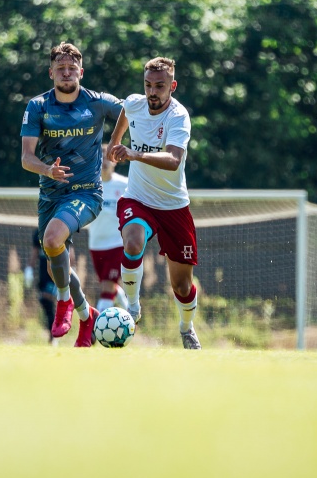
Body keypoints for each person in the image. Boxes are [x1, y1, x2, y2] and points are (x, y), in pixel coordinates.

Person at [20, 42, 122, 347]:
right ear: (51, 72)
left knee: (51, 240)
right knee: (55, 261)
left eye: (71, 67)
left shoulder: (98, 102)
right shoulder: (38, 106)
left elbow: (132, 111)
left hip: (87, 193)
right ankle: (86, 314)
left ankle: (64, 303)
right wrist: (48, 170)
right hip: (50, 195)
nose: (66, 73)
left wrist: (116, 143)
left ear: (81, 70)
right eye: (60, 68)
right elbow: (27, 158)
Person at [108, 57, 201, 349]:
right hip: (138, 198)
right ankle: (133, 307)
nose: (152, 92)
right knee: (132, 242)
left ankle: (186, 328)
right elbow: (126, 111)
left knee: (181, 286)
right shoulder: (135, 103)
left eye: (160, 86)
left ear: (172, 86)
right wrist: (115, 142)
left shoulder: (178, 116)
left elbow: (173, 160)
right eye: (148, 85)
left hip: (174, 206)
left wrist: (134, 153)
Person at [85, 143, 130, 312]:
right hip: (96, 244)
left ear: (115, 161)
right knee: (109, 284)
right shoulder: (89, 186)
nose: (104, 161)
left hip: (117, 244)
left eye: (108, 157)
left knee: (107, 288)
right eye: (101, 157)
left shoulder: (125, 184)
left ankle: (96, 328)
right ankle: (132, 312)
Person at [26, 228, 59, 343]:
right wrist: (29, 268)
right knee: (44, 300)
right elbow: (34, 252)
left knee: (47, 297)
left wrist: (71, 270)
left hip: (55, 272)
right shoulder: (38, 232)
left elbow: (71, 252)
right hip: (43, 273)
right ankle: (54, 331)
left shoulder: (62, 228)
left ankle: (54, 334)